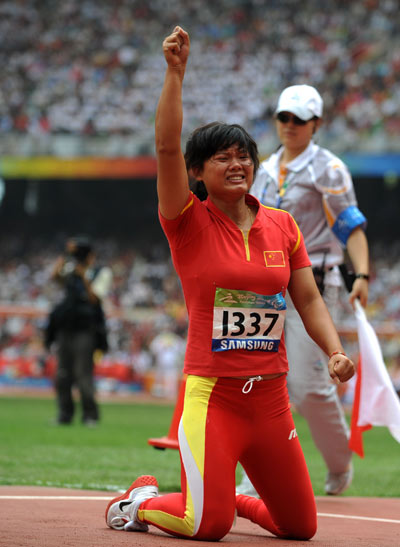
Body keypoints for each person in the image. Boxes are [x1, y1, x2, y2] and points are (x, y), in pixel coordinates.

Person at [104, 27, 355, 541]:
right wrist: (176, 74)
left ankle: (229, 496)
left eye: (245, 155)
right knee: (206, 523)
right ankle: (142, 502)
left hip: (269, 399)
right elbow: (166, 147)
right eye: (223, 157)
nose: (238, 164)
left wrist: (333, 350)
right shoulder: (185, 220)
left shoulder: (282, 224)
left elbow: (306, 296)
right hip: (213, 397)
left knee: (300, 527)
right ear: (197, 173)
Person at [236, 84, 369, 497]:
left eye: (299, 120)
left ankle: (338, 462)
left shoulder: (327, 169)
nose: (289, 126)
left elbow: (349, 224)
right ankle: (253, 478)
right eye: (283, 118)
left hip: (311, 280)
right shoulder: (261, 167)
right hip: (261, 284)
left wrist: (361, 274)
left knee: (309, 388)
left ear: (316, 124)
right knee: (254, 379)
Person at [46, 236, 112, 426]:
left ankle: (90, 415)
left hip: (86, 329)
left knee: (83, 374)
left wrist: (83, 275)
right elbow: (55, 279)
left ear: (91, 256)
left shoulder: (101, 272)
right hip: (66, 328)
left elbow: (94, 299)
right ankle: (64, 414)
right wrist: (62, 260)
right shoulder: (70, 269)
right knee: (62, 373)